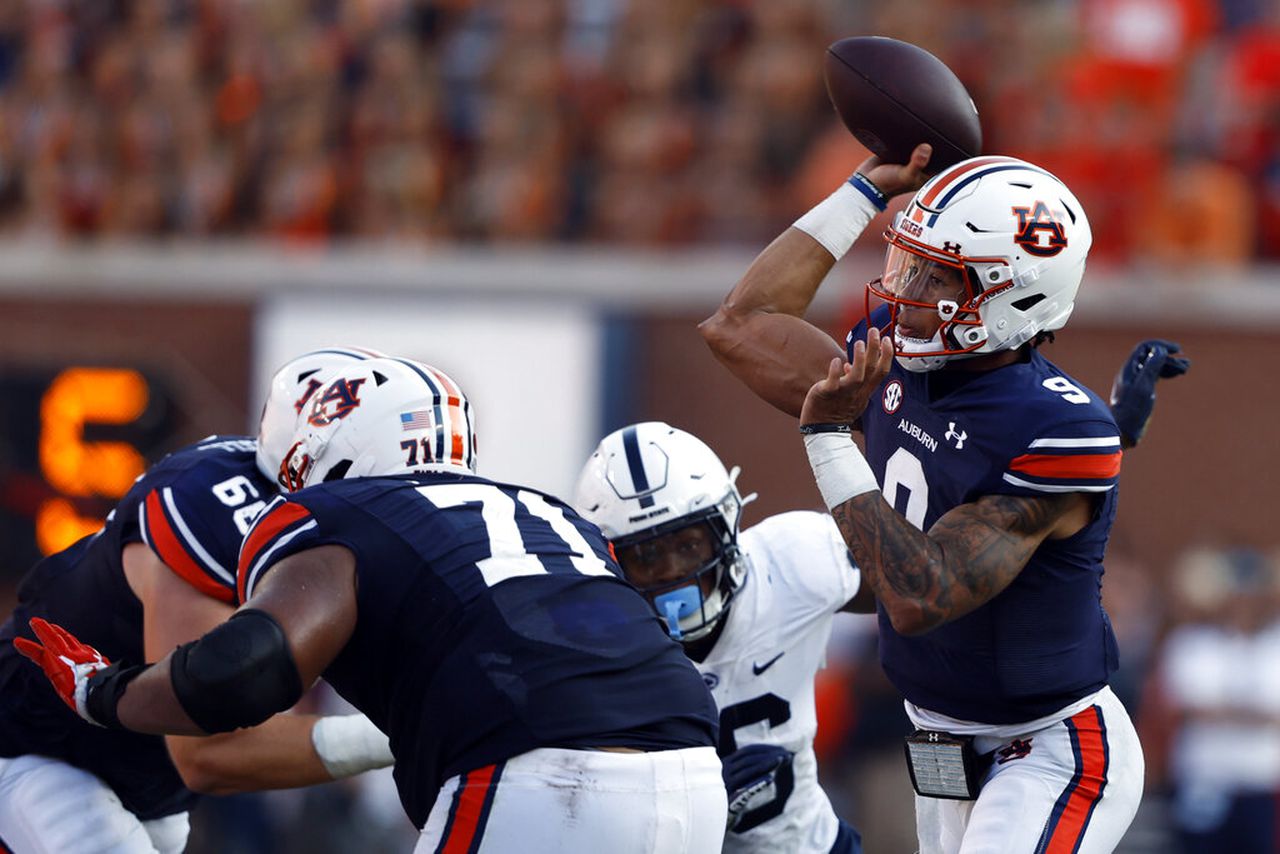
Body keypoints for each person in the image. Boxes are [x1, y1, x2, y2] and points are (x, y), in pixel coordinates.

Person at [16, 356, 728, 853]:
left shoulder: (343, 516)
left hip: (535, 770)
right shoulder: (541, 509)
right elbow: (209, 755)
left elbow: (240, 671)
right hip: (696, 775)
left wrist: (105, 694)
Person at [700, 145, 1183, 853]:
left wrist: (830, 437)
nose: (907, 291)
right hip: (940, 738)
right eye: (911, 263)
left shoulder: (1056, 431)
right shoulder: (904, 362)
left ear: (1014, 294)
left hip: (1049, 747)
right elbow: (739, 323)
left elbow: (921, 593)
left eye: (937, 276)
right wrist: (861, 192)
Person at [0, 346, 394, 854]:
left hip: (148, 787)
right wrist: (395, 737)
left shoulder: (328, 534)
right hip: (40, 745)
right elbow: (207, 750)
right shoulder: (213, 512)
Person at [574, 421, 867, 853]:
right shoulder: (588, 652)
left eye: (688, 545)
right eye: (647, 555)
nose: (673, 571)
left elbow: (914, 591)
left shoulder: (794, 563)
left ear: (724, 528)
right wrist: (699, 802)